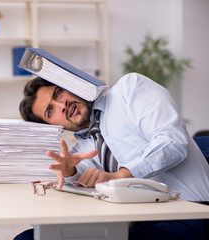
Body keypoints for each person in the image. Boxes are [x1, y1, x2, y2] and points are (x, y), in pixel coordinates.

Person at [14, 73, 209, 240]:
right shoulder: (85, 146)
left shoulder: (129, 89)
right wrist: (70, 170)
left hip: (189, 212)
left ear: (71, 85)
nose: (61, 105)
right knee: (27, 238)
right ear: (55, 126)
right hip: (131, 223)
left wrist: (120, 175)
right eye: (50, 111)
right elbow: (81, 172)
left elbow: (173, 143)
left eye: (58, 93)